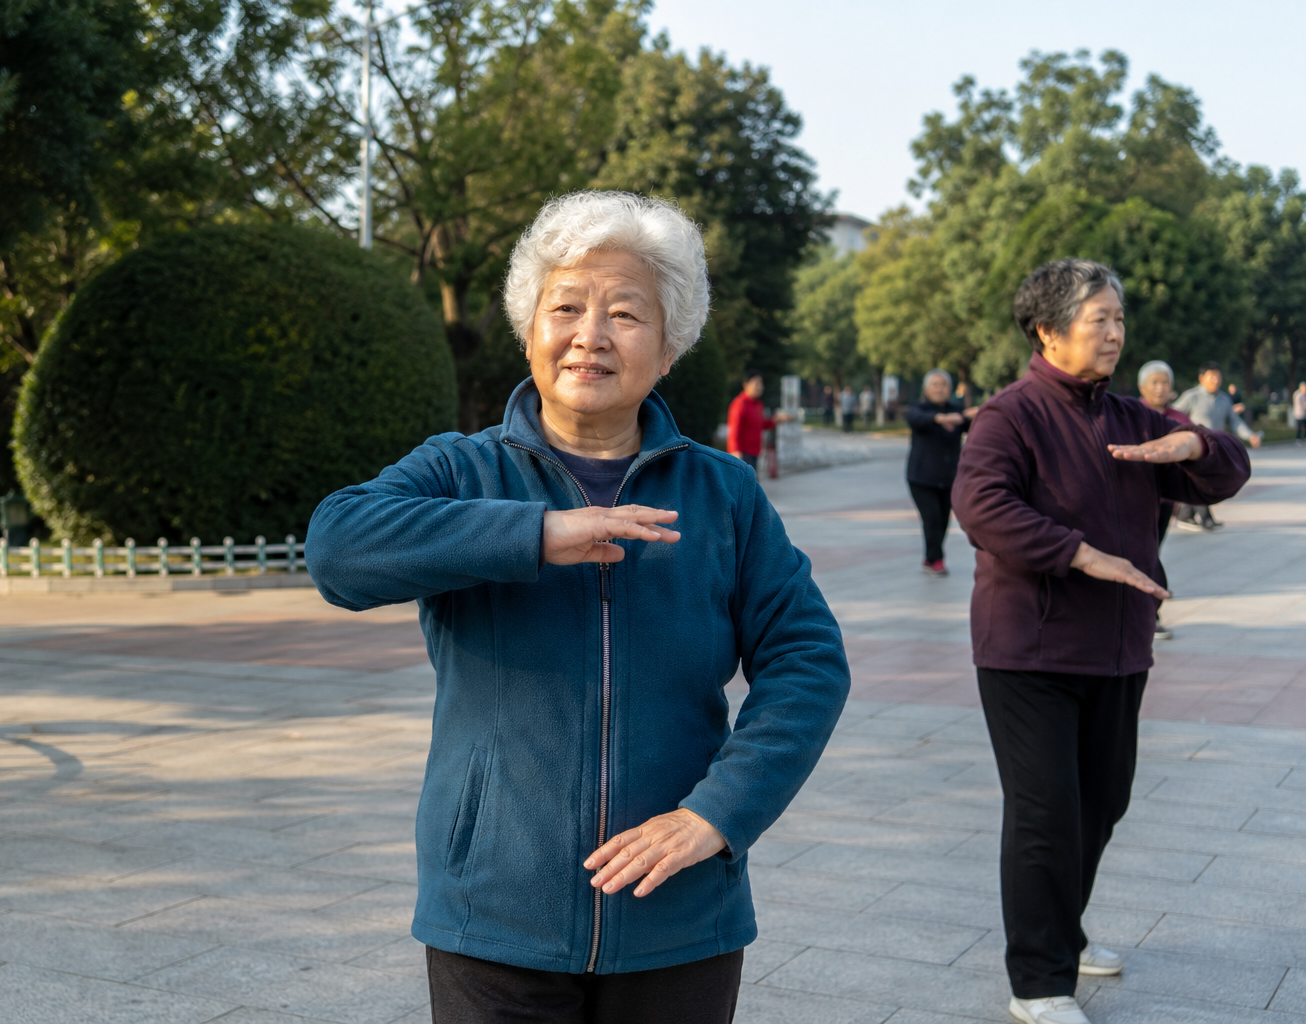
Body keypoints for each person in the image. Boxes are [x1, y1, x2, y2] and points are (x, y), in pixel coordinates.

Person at [304, 190, 850, 1024]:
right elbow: (338, 550)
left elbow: (808, 659)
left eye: (625, 313)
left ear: (669, 350)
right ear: (530, 331)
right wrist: (539, 534)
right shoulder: (461, 470)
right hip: (492, 915)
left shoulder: (723, 493)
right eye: (565, 307)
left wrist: (719, 813)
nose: (590, 335)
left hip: (680, 916)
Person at [952, 259, 1250, 1024]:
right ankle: (1039, 982)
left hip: (1119, 650)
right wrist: (1082, 553)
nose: (1115, 333)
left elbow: (1230, 468)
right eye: (1099, 320)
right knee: (1046, 811)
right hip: (1029, 653)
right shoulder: (1009, 417)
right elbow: (981, 505)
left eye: (1119, 319)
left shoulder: (1133, 420)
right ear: (1049, 331)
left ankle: (1063, 930)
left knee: (1101, 802)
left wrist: (1195, 450)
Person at [1136, 360, 1192, 641]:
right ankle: (1148, 614)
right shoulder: (1129, 415)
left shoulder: (1179, 420)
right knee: (1143, 553)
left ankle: (1150, 613)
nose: (1160, 388)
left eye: (1165, 383)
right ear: (1141, 387)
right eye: (1154, 383)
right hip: (1133, 500)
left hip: (1164, 501)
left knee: (1151, 551)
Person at [904, 369, 976, 576]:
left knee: (943, 519)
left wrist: (979, 415)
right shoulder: (919, 409)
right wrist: (943, 418)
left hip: (948, 478)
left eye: (943, 385)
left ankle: (930, 558)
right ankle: (936, 559)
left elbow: (971, 424)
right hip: (921, 478)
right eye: (935, 384)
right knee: (932, 518)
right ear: (926, 389)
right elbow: (917, 419)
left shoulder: (956, 410)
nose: (939, 388)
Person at [1171, 362, 1260, 529]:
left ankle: (1186, 514)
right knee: (1200, 481)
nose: (1216, 381)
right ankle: (1205, 517)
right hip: (1194, 448)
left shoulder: (1224, 399)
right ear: (1201, 378)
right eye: (1211, 377)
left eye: (1218, 377)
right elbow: (1173, 414)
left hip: (1215, 449)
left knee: (1206, 481)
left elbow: (1235, 422)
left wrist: (1250, 435)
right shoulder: (1192, 397)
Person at [726, 373, 793, 473]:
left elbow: (761, 424)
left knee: (752, 483)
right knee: (746, 485)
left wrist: (777, 420)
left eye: (761, 384)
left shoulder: (758, 404)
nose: (760, 387)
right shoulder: (740, 404)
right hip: (743, 454)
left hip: (754, 452)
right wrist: (735, 452)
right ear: (745, 385)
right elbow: (734, 431)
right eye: (756, 384)